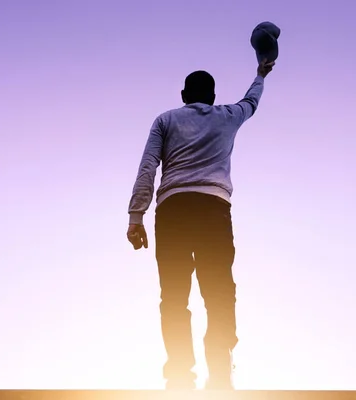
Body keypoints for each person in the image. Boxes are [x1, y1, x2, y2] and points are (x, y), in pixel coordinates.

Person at [126, 58, 276, 390]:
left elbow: (148, 167)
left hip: (173, 211)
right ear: (212, 96)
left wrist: (136, 216)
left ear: (183, 94)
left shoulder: (165, 120)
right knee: (220, 291)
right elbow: (251, 101)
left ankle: (180, 373)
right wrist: (260, 74)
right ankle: (220, 367)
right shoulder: (228, 116)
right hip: (213, 209)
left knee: (174, 296)